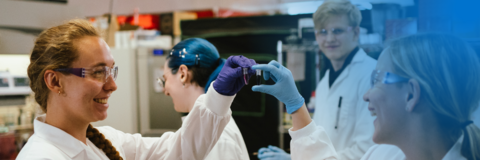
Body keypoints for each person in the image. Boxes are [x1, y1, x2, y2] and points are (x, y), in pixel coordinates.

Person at [16, 19, 256, 160]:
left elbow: (179, 151)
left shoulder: (107, 140)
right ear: (55, 82)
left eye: (112, 70)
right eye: (99, 72)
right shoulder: (41, 156)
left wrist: (219, 95)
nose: (112, 85)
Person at [253, 33, 480, 160]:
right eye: (322, 31)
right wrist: (296, 106)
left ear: (411, 94)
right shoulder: (386, 153)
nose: (366, 96)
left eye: (377, 80)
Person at [257, 0, 376, 159]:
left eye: (337, 30)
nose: (329, 38)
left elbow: (366, 151)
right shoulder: (324, 82)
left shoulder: (371, 75)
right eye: (323, 32)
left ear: (355, 32)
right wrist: (294, 156)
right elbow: (316, 137)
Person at [159, 38, 251, 160]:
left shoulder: (217, 138)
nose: (164, 91)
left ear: (183, 74)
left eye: (164, 80)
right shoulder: (205, 129)